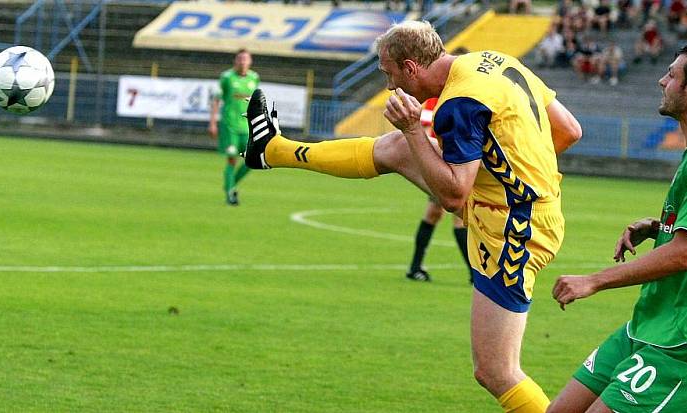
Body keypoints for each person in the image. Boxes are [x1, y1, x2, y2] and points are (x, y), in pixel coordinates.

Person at [242, 21, 581, 413]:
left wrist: (414, 131)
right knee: (396, 149)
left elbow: (453, 196)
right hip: (524, 210)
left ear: (410, 67)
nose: (389, 87)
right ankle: (273, 150)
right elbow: (569, 131)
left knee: (495, 370)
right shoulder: (496, 62)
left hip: (512, 232)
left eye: (389, 75)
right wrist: (516, 176)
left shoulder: (458, 104)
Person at [548, 34, 687, 413]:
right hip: (650, 325)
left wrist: (593, 280)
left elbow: (685, 255)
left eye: (671, 75)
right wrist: (658, 227)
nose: (662, 81)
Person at [406, 96, 471, 283]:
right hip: (444, 167)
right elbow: (425, 130)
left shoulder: (460, 96)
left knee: (435, 213)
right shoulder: (436, 99)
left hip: (453, 166)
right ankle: (475, 274)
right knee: (460, 218)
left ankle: (415, 267)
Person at [208, 48, 260, 206]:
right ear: (235, 61)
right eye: (240, 59)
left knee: (253, 160)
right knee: (232, 159)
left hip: (247, 126)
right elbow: (217, 99)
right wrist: (212, 122)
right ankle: (230, 194)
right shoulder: (227, 77)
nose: (243, 62)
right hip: (229, 126)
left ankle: (229, 184)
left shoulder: (254, 78)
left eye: (246, 59)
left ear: (250, 61)